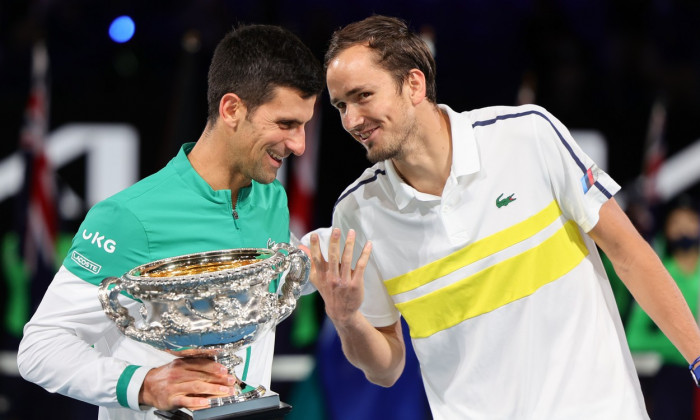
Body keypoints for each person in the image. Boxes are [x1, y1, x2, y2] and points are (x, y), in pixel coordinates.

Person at [305, 15, 700, 419]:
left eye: (363, 96)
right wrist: (346, 317)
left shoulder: (528, 136)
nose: (351, 120)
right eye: (340, 105)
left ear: (414, 85)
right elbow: (386, 369)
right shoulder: (357, 212)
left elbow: (629, 254)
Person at [17, 24, 324, 419]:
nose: (299, 145)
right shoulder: (128, 217)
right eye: (285, 124)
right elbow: (42, 347)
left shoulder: (271, 198)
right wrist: (144, 384)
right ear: (232, 109)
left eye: (304, 125)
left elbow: (271, 287)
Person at [627, 197, 700, 419]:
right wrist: (685, 346)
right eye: (676, 224)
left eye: (689, 222)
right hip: (673, 378)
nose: (683, 229)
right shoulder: (659, 276)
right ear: (666, 231)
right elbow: (634, 337)